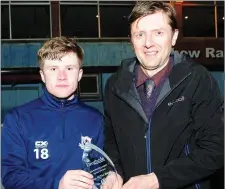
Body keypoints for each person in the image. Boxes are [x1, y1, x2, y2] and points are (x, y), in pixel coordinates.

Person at [103, 1, 224, 189]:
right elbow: (112, 142)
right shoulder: (114, 85)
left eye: (158, 33)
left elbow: (215, 150)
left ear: (174, 36)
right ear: (131, 40)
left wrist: (158, 179)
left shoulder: (197, 80)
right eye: (140, 34)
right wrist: (113, 171)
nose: (148, 43)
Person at [1, 36, 104, 189]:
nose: (62, 77)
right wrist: (56, 185)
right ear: (43, 75)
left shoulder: (96, 119)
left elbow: (100, 168)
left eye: (69, 68)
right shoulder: (17, 119)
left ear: (80, 74)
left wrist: (107, 178)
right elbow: (10, 176)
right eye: (53, 69)